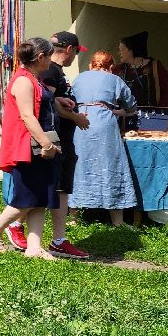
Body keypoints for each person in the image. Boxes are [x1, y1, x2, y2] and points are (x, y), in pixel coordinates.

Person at [9, 32, 91, 259]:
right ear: (70, 49)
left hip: (56, 138)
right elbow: (40, 109)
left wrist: (60, 102)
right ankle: (8, 228)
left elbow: (49, 100)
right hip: (53, 138)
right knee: (44, 191)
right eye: (76, 51)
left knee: (52, 191)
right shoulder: (48, 72)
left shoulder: (47, 73)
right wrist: (76, 118)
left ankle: (49, 241)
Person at [0, 38, 62, 259]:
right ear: (41, 57)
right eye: (50, 55)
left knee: (39, 200)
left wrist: (59, 102)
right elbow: (27, 115)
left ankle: (34, 247)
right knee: (25, 199)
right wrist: (46, 143)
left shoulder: (35, 79)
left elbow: (42, 104)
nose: (52, 59)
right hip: (29, 148)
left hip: (39, 147)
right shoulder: (23, 81)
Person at [67, 51, 139, 226]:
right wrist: (120, 111)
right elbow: (131, 106)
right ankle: (118, 220)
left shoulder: (79, 78)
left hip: (80, 123)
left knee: (79, 166)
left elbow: (73, 99)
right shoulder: (115, 79)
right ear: (111, 67)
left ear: (91, 65)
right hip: (104, 126)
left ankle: (74, 218)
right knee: (111, 166)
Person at [115, 32, 168, 110]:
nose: (119, 53)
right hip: (124, 117)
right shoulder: (119, 69)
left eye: (121, 50)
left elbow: (166, 93)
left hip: (150, 117)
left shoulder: (155, 67)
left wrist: (162, 114)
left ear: (132, 50)